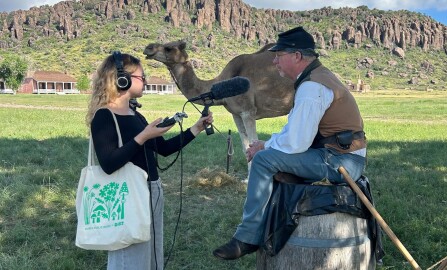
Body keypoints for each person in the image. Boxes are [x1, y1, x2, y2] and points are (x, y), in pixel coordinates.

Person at [213, 26, 367, 260]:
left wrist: (263, 148)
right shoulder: (316, 78)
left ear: (296, 56)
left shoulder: (312, 87)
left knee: (263, 161)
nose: (274, 61)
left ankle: (247, 237)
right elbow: (295, 131)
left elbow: (297, 142)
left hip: (340, 161)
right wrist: (267, 143)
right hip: (338, 155)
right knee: (268, 154)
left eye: (279, 55)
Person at [86, 52, 213, 270]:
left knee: (151, 256)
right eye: (141, 77)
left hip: (151, 190)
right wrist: (143, 136)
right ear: (121, 79)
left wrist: (196, 128)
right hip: (125, 196)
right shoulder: (104, 116)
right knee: (130, 258)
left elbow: (163, 149)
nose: (145, 82)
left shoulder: (135, 115)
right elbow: (108, 164)